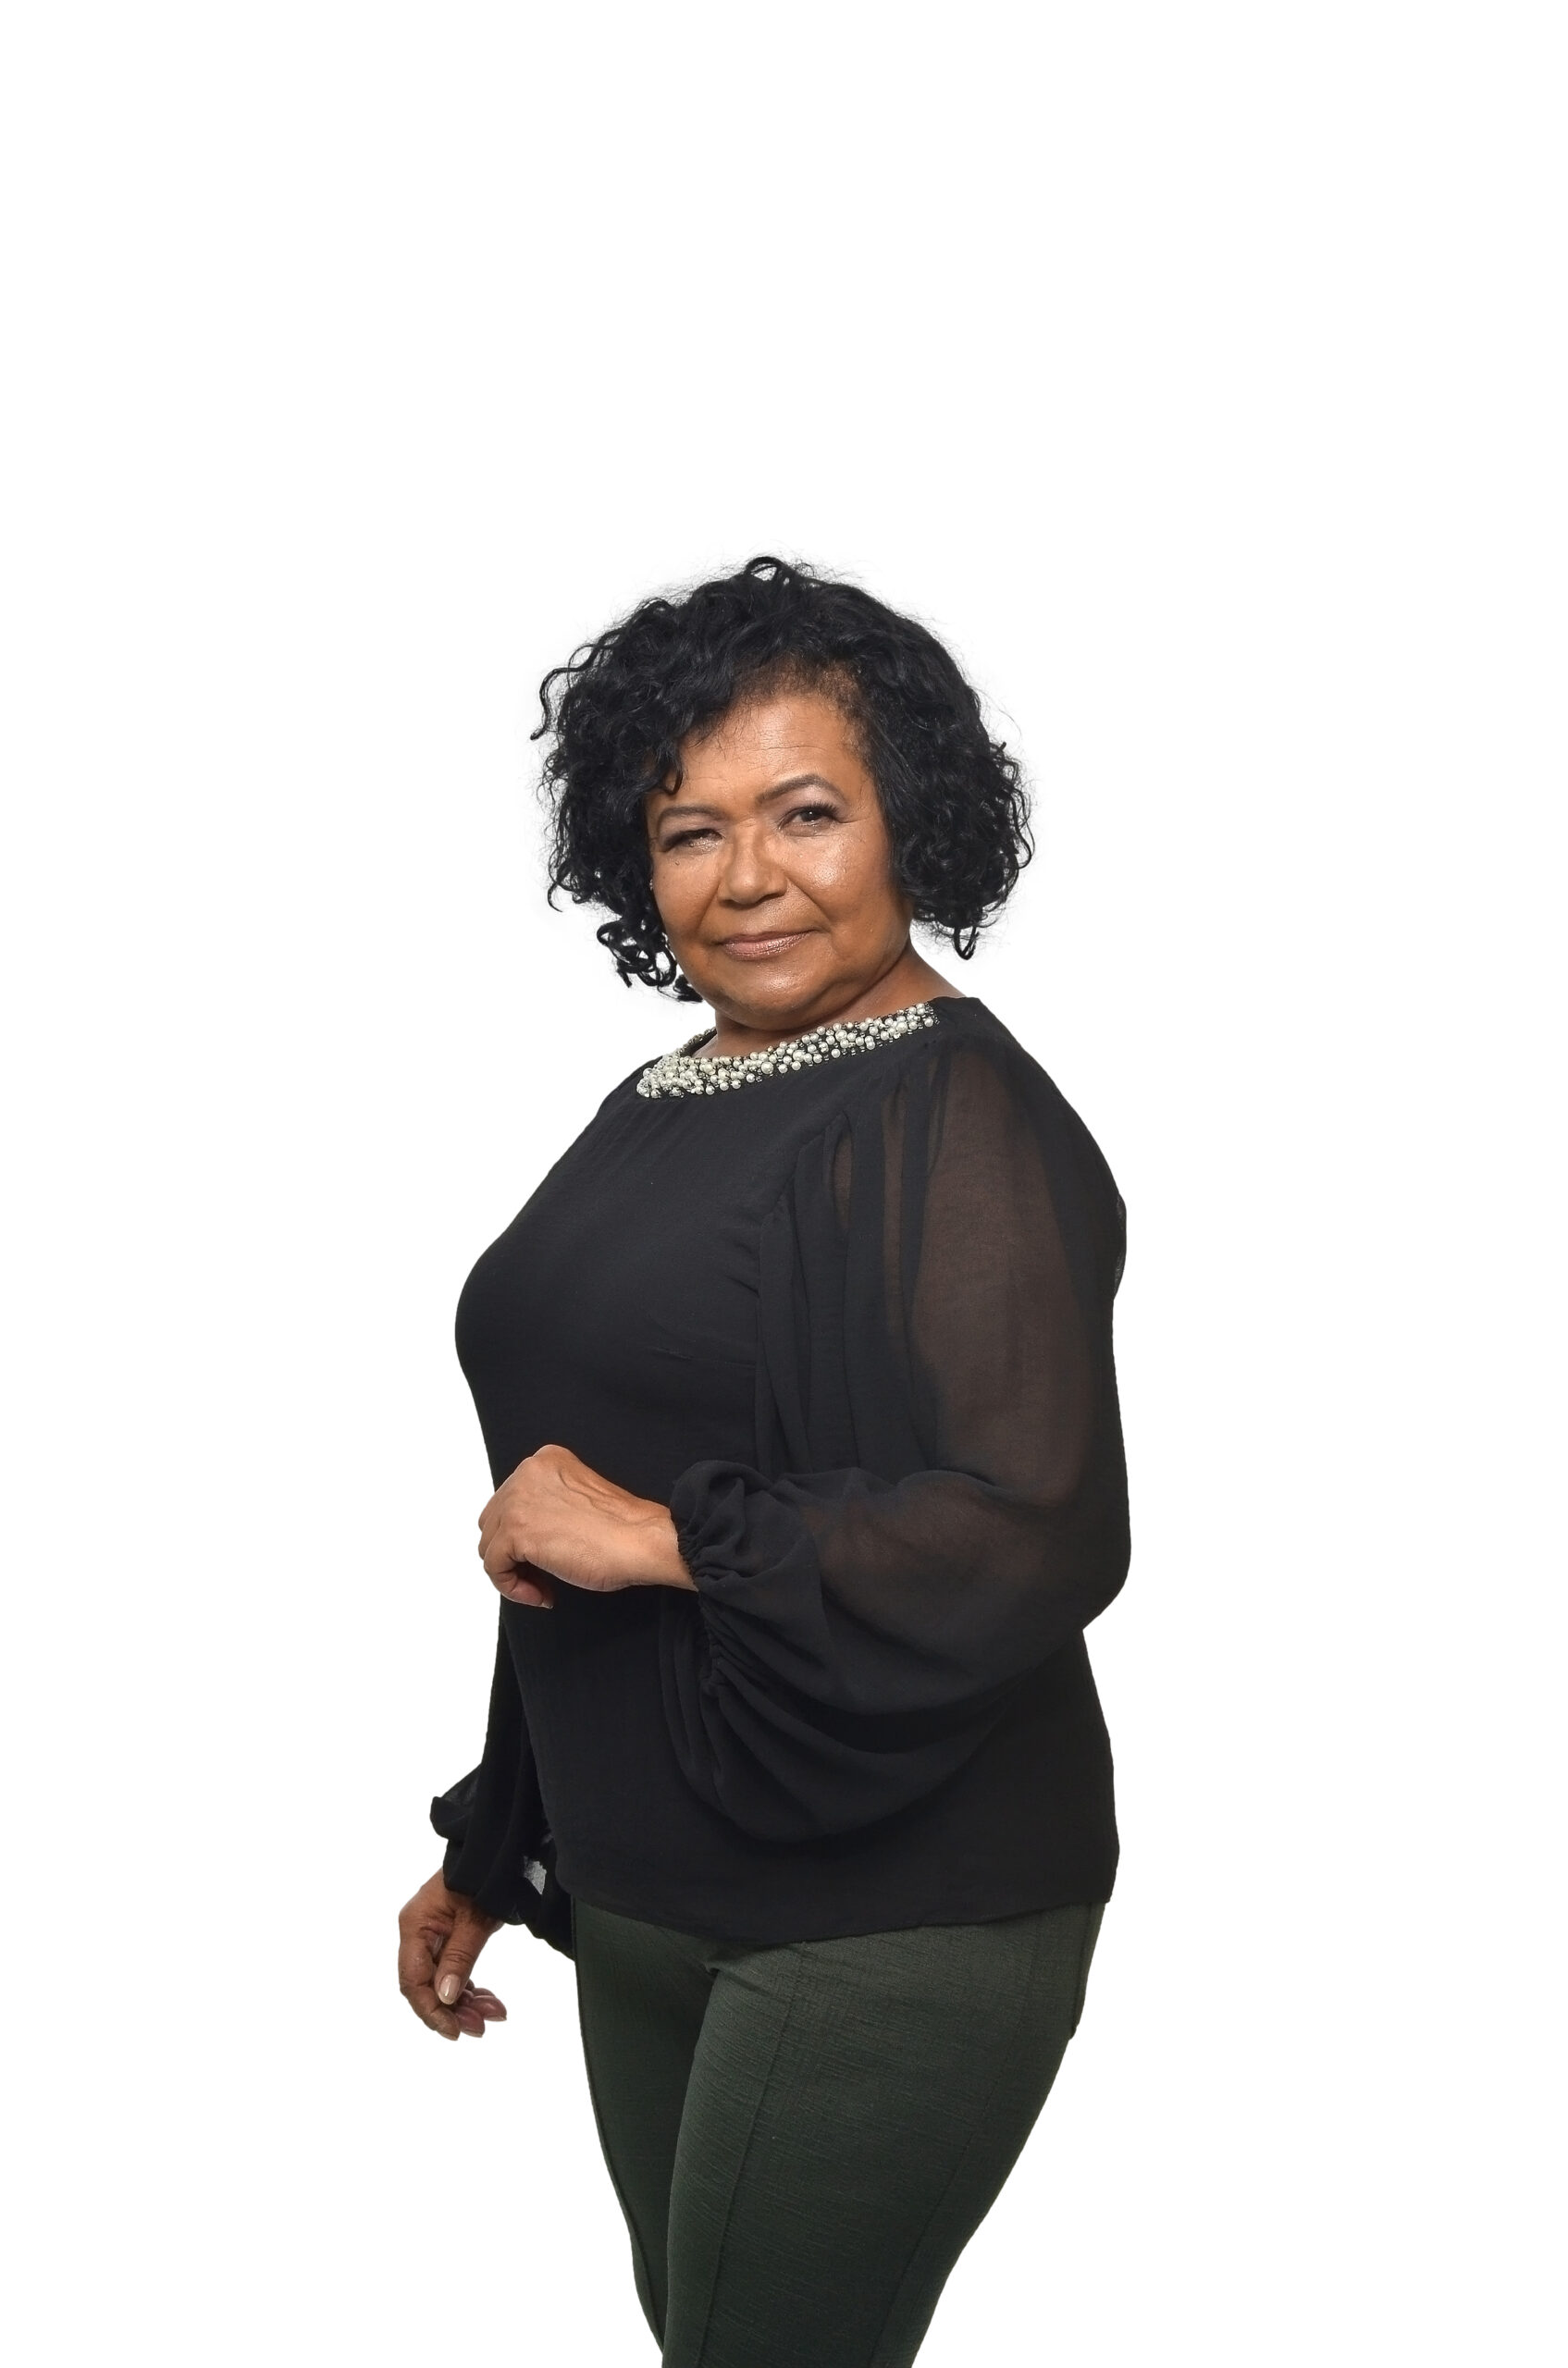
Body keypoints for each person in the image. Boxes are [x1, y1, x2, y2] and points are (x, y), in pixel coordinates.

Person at [396, 557, 1130, 2368]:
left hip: (887, 1903)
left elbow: (1033, 1527)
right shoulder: (665, 1099)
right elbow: (558, 1512)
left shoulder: (955, 1111)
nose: (745, 877)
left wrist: (665, 1535)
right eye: (688, 830)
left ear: (908, 823)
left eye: (806, 812)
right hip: (644, 1886)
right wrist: (500, 1835)